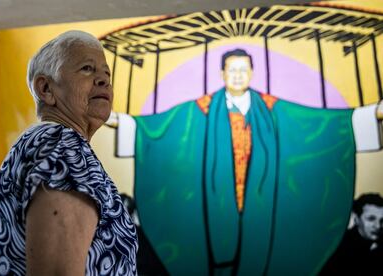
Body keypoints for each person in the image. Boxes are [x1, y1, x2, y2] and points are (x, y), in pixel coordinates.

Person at [107, 48, 383, 275]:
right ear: (222, 74)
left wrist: (367, 115)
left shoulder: (271, 108)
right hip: (216, 206)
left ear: (251, 73)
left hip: (261, 204)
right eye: (232, 70)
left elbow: (316, 124)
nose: (238, 75)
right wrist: (127, 123)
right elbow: (161, 127)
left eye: (243, 70)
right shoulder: (201, 110)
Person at [0, 30, 138, 275]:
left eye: (106, 72)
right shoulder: (62, 146)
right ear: (46, 89)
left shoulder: (46, 143)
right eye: (87, 69)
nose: (104, 80)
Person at [321, 193, 383, 275]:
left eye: (382, 221)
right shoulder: (340, 246)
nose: (378, 226)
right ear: (356, 218)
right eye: (371, 219)